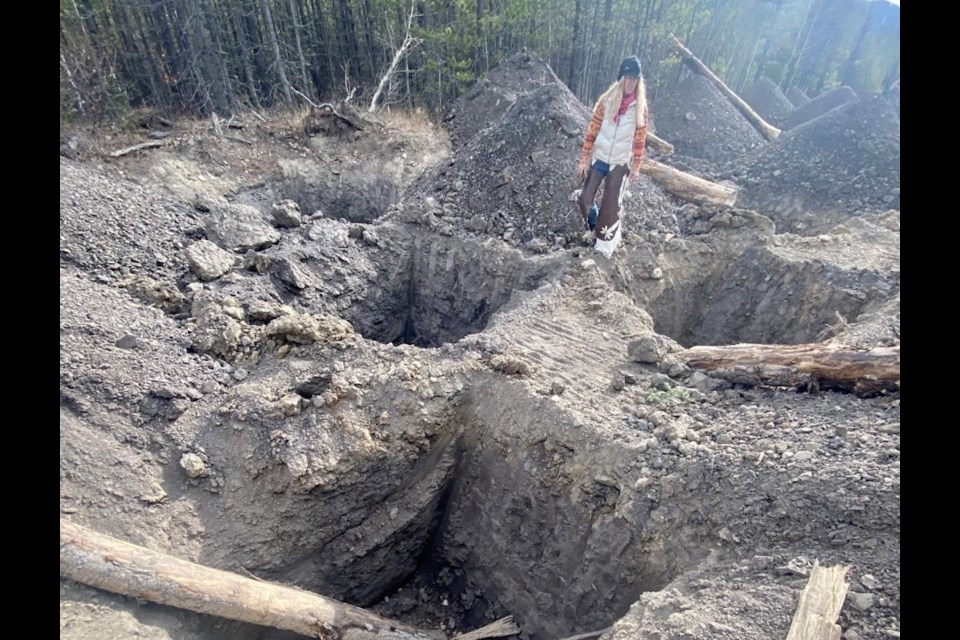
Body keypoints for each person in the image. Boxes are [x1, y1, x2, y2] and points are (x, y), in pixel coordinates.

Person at [576, 55, 649, 257]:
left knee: (610, 206)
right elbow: (592, 130)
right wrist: (584, 158)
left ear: (638, 80)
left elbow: (639, 140)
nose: (630, 82)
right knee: (584, 199)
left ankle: (604, 247)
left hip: (619, 161)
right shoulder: (606, 101)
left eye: (634, 78)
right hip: (600, 157)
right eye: (627, 77)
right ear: (621, 78)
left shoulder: (639, 108)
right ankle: (594, 226)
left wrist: (636, 166)